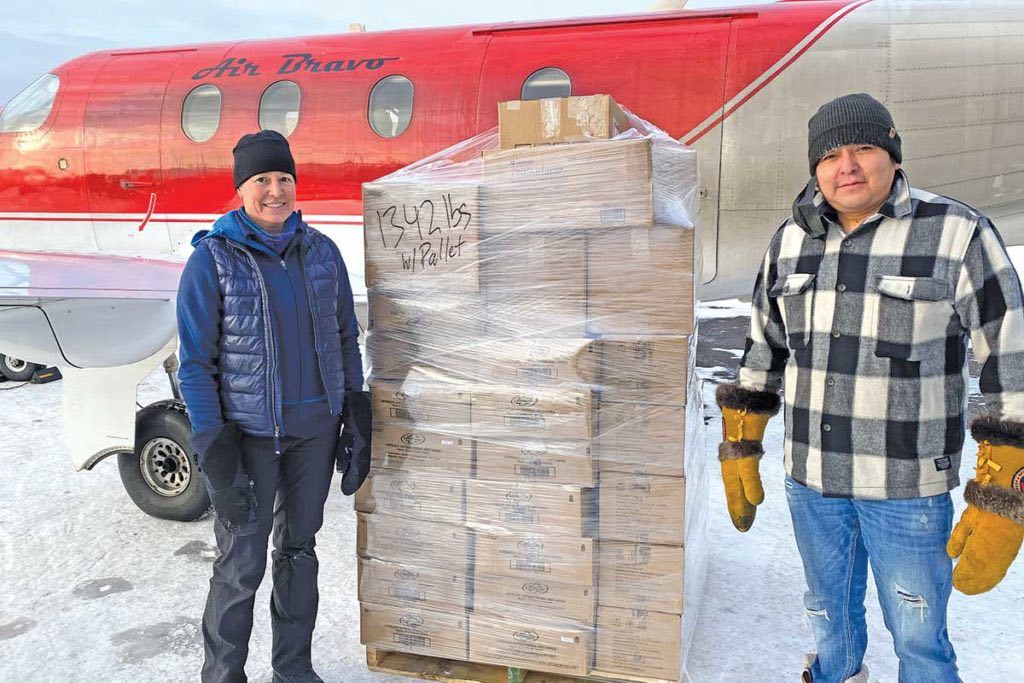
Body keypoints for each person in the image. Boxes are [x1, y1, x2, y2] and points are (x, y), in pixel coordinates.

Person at [716, 93, 1024, 683]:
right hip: (813, 480)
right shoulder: (790, 239)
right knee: (827, 611)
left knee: (918, 633)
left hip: (906, 486)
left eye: (863, 148)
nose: (846, 166)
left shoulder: (956, 233)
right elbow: (763, 345)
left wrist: (1006, 485)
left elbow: (1010, 353)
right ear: (814, 167)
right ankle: (836, 674)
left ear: (893, 155)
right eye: (829, 154)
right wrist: (741, 440)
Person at [176, 129, 372, 683]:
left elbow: (343, 338)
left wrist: (354, 411)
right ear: (241, 188)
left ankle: (293, 669)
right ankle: (222, 676)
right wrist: (214, 446)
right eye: (262, 179)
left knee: (299, 551)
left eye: (284, 178)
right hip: (249, 438)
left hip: (314, 433)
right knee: (241, 565)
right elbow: (196, 365)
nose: (275, 190)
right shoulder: (211, 262)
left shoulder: (322, 253)